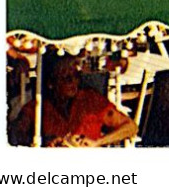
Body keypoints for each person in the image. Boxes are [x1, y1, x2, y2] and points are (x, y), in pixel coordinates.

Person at [8, 55, 138, 148]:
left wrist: (98, 141)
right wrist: (47, 141)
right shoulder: (38, 106)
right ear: (51, 83)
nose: (72, 82)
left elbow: (130, 127)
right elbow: (15, 133)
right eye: (66, 77)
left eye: (75, 76)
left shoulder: (91, 99)